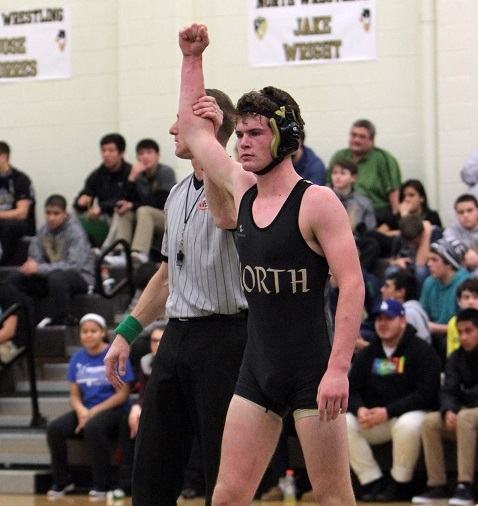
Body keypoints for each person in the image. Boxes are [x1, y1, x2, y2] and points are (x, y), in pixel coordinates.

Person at [176, 23, 364, 505]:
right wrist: (192, 58)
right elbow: (197, 135)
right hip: (257, 369)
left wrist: (339, 368)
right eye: (239, 133)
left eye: (255, 133)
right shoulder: (241, 188)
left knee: (332, 498)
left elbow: (352, 284)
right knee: (227, 494)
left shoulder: (317, 202)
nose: (242, 142)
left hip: (313, 370)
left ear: (285, 138)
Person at [104, 88, 249, 506]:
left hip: (225, 339)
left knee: (223, 474)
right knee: (151, 467)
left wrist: (211, 145)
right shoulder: (175, 193)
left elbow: (226, 215)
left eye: (181, 120)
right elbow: (165, 277)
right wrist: (124, 335)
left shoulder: (243, 184)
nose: (172, 128)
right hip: (176, 337)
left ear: (209, 124)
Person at [346, 298, 441, 502]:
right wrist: (360, 409)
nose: (382, 323)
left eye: (388, 318)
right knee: (342, 422)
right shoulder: (369, 353)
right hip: (374, 420)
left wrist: (388, 411)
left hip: (404, 416)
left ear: (403, 321)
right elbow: (351, 390)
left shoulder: (421, 351)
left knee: (408, 424)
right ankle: (372, 481)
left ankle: (399, 483)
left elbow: (425, 394)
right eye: (379, 318)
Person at [46, 313, 134, 498]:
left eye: (93, 331)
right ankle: (62, 482)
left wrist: (92, 412)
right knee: (55, 428)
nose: (88, 335)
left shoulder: (115, 353)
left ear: (102, 332)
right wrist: (82, 411)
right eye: (84, 331)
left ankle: (103, 484)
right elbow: (74, 395)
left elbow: (123, 394)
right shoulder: (77, 359)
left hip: (114, 409)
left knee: (94, 427)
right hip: (86, 409)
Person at [412, 308, 478, 505]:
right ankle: (437, 484)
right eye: (460, 332)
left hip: (470, 412)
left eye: (469, 331)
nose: (463, 337)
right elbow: (448, 389)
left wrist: (461, 404)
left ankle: (465, 485)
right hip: (466, 411)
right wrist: (449, 410)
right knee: (430, 421)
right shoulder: (456, 357)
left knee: (465, 418)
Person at [2, 194, 95, 326]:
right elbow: (34, 256)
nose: (51, 218)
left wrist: (39, 268)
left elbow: (75, 266)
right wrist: (31, 267)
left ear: (65, 214)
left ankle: (61, 319)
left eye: (56, 213)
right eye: (48, 213)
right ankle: (22, 318)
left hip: (80, 278)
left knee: (56, 277)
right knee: (14, 279)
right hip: (50, 277)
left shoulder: (76, 232)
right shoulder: (43, 230)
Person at [104, 138, 176, 266]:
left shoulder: (165, 172)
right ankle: (122, 253)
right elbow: (122, 200)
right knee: (124, 212)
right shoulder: (138, 175)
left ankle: (140, 252)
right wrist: (131, 178)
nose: (145, 157)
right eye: (141, 154)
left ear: (158, 155)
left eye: (149, 153)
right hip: (145, 217)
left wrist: (133, 205)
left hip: (167, 218)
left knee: (143, 210)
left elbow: (161, 200)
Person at [328, 119, 401, 224]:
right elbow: (327, 185)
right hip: (341, 208)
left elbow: (393, 192)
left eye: (362, 137)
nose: (356, 140)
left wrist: (395, 220)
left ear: (372, 140)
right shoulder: (339, 156)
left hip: (376, 211)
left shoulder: (383, 159)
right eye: (353, 135)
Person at [73, 133, 131, 247]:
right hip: (100, 216)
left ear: (121, 153)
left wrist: (101, 207)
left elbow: (126, 198)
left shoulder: (129, 173)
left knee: (120, 212)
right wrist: (81, 202)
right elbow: (86, 193)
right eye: (103, 150)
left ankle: (106, 250)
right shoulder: (97, 174)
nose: (106, 154)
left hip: (117, 215)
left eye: (111, 150)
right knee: (72, 213)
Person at [420, 237, 470, 364]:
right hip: (432, 332)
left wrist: (432, 327)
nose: (429, 264)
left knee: (443, 342)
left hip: (456, 335)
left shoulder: (465, 284)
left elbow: (468, 325)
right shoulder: (429, 281)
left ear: (449, 264)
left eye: (435, 260)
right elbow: (423, 313)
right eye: (429, 259)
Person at [329, 157, 379, 272]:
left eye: (343, 173)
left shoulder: (363, 203)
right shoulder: (323, 196)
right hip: (328, 240)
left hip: (354, 241)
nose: (337, 177)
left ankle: (360, 275)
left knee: (373, 245)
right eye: (334, 173)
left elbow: (370, 229)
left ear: (353, 177)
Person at [0, 141, 36, 265]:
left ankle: (3, 263)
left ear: (4, 157)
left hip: (19, 225)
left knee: (8, 227)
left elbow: (22, 213)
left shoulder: (20, 180)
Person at [383, 215, 434, 294]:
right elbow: (391, 260)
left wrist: (427, 234)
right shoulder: (399, 238)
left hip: (427, 268)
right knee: (390, 271)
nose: (411, 246)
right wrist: (396, 262)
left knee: (420, 271)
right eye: (408, 242)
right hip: (407, 268)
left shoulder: (432, 233)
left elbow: (420, 264)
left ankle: (422, 299)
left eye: (414, 242)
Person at [380, 268, 431, 344]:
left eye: (387, 286)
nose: (381, 290)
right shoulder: (414, 307)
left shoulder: (408, 313)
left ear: (400, 292)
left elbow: (399, 348)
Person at [444, 193, 478, 274]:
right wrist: (466, 252)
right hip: (460, 272)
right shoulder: (451, 230)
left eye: (470, 211)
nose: (465, 215)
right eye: (461, 212)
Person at [447, 278, 478, 357]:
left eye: (475, 297)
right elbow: (451, 354)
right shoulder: (453, 323)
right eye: (466, 297)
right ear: (459, 301)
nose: (470, 302)